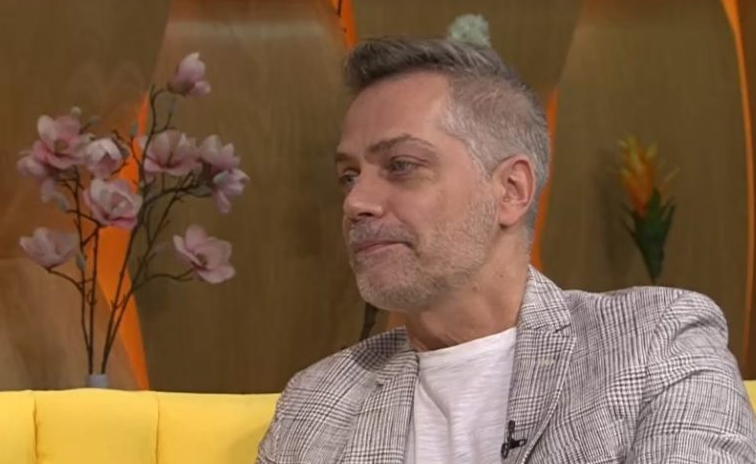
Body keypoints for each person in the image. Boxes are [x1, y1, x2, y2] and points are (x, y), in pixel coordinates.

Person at [256, 37, 756, 463]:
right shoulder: (317, 402)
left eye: (401, 165)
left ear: (511, 190)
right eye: (349, 176)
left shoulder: (655, 344)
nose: (356, 203)